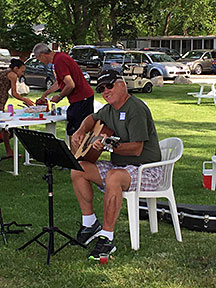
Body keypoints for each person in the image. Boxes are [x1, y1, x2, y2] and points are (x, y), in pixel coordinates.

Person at [71, 70, 163, 260]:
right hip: (121, 167)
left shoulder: (135, 108)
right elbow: (92, 119)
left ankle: (107, 237)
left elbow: (137, 149)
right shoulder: (110, 109)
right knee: (78, 168)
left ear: (122, 84)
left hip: (147, 168)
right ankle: (90, 224)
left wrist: (107, 147)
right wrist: (80, 131)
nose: (105, 91)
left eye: (109, 86)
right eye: (101, 88)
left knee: (114, 177)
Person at [32, 43, 94, 150]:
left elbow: (70, 85)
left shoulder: (59, 61)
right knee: (72, 130)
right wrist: (45, 94)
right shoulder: (58, 59)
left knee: (77, 132)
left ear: (42, 55)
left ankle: (78, 162)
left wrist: (60, 97)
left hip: (82, 99)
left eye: (38, 58)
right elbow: (59, 82)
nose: (40, 61)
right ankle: (75, 160)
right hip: (80, 99)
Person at [0, 58, 34, 158]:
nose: (22, 74)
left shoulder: (5, 72)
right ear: (15, 68)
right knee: (4, 128)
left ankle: (9, 151)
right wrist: (25, 100)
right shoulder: (13, 75)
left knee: (4, 128)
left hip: (1, 101)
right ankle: (9, 151)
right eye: (22, 71)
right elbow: (14, 93)